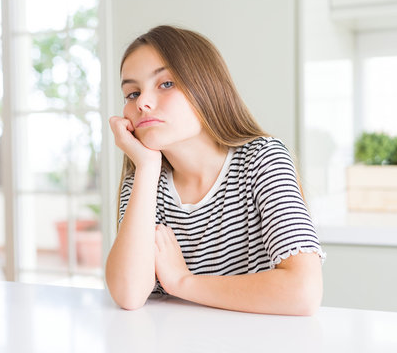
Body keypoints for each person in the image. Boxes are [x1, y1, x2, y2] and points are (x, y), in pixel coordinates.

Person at [106, 25, 325, 315]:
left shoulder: (263, 159)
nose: (142, 102)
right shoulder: (144, 185)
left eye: (166, 83)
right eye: (132, 93)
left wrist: (183, 282)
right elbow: (128, 294)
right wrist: (146, 167)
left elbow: (303, 292)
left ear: (206, 87)